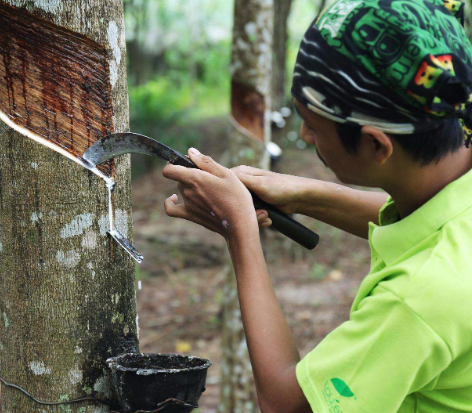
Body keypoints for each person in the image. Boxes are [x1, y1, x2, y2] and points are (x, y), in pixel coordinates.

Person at [162, 0, 472, 411]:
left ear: (376, 143)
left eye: (313, 123)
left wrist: (239, 230)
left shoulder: (419, 299)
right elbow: (433, 224)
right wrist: (304, 192)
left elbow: (286, 404)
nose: (306, 136)